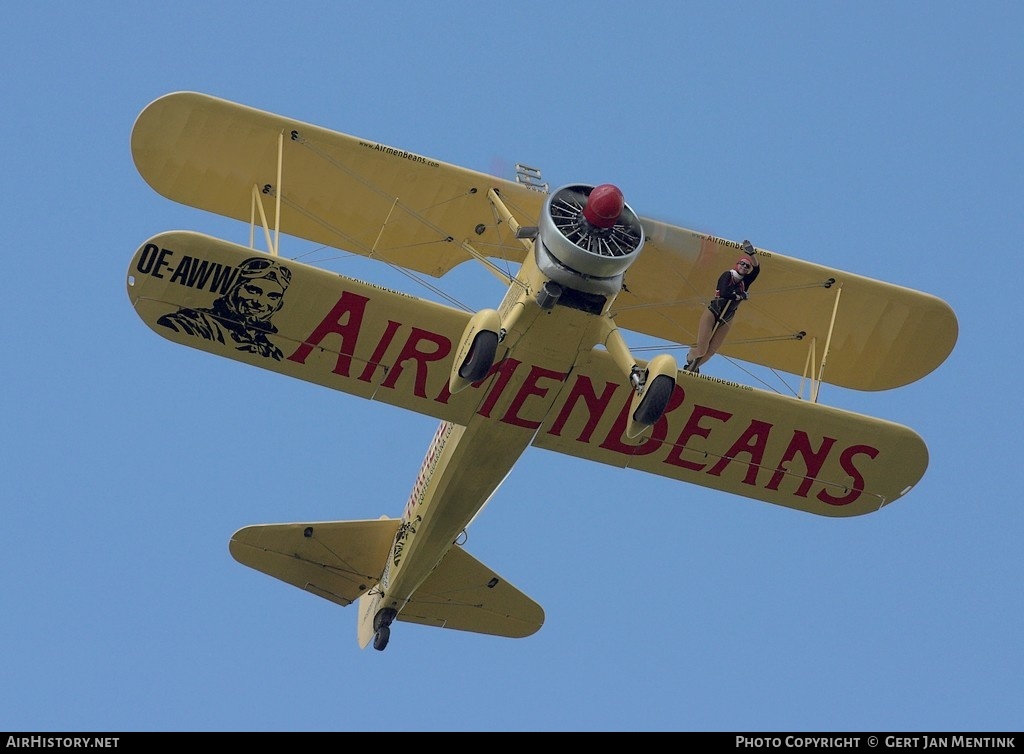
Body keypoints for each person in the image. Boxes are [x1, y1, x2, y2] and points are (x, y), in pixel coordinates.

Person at [158, 256, 293, 360]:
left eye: (273, 297)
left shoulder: (271, 351)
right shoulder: (194, 322)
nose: (260, 302)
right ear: (233, 289)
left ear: (278, 305)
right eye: (253, 290)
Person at [684, 240, 759, 374]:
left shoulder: (744, 283)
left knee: (711, 351)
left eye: (747, 266)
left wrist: (751, 254)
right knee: (702, 349)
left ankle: (693, 368)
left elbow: (757, 269)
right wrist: (739, 295)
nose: (744, 267)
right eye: (742, 263)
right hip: (713, 312)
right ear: (737, 265)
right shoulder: (727, 275)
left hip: (727, 317)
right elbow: (724, 292)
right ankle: (690, 357)